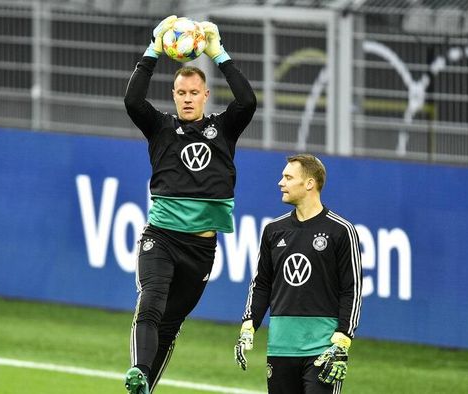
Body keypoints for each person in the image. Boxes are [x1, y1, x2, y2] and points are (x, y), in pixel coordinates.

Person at [123, 15, 257, 394]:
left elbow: (247, 100)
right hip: (161, 238)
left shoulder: (224, 129)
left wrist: (218, 53)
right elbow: (133, 100)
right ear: (174, 96)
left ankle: (146, 384)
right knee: (149, 304)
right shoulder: (161, 128)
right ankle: (139, 374)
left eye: (193, 93)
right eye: (180, 93)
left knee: (170, 324)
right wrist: (153, 48)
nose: (186, 98)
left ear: (204, 96)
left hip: (200, 247)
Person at [234, 154, 362, 394]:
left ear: (310, 183)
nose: (280, 183)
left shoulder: (341, 230)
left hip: (323, 349)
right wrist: (248, 327)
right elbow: (261, 284)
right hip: (280, 347)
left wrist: (343, 339)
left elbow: (352, 289)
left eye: (288, 177)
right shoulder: (274, 230)